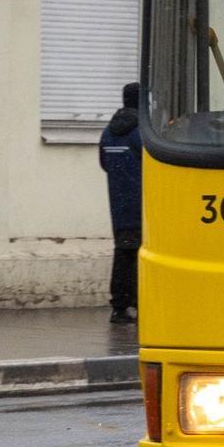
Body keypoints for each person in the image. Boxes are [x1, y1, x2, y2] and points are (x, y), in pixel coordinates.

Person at [99, 81, 144, 324]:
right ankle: (140, 304)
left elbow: (104, 164)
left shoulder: (108, 132)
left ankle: (119, 306)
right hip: (142, 204)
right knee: (140, 254)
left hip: (118, 203)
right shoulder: (141, 132)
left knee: (122, 253)